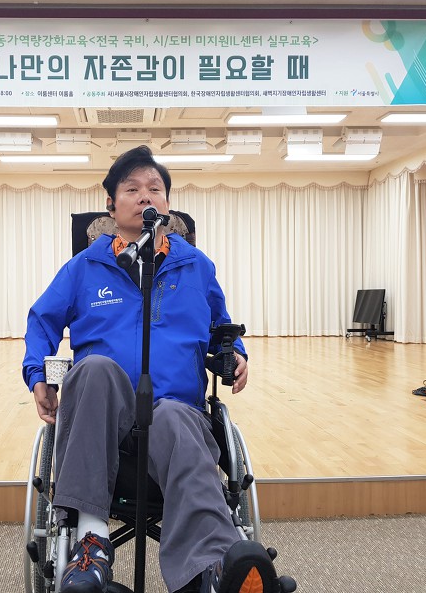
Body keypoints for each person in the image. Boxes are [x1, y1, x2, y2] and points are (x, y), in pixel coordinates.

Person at [22, 146, 277, 593]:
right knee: (94, 369)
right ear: (111, 206)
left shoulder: (196, 267)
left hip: (176, 412)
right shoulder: (84, 268)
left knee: (176, 418)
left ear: (167, 205)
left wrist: (235, 352)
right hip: (104, 420)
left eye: (155, 189)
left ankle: (215, 570)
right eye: (132, 189)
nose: (145, 196)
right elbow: (42, 321)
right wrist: (37, 375)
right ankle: (90, 546)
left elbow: (220, 325)